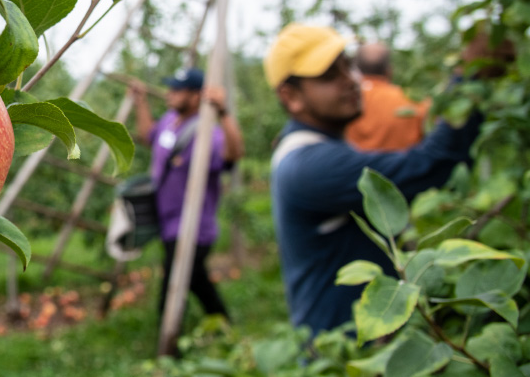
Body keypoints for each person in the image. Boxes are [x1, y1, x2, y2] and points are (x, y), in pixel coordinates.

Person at [264, 23, 482, 336]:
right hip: (342, 356)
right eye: (329, 76)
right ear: (292, 97)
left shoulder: (324, 147)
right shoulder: (310, 165)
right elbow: (430, 165)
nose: (351, 80)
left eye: (348, 65)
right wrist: (469, 76)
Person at [128, 68, 244, 321]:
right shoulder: (169, 121)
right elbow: (148, 135)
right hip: (168, 220)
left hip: (193, 225)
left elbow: (233, 155)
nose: (170, 94)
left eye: (177, 90)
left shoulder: (207, 134)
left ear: (195, 96)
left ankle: (169, 341)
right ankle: (223, 327)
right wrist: (141, 102)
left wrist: (224, 113)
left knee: (174, 283)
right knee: (194, 279)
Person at [345, 42, 431, 151]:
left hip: (351, 167)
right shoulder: (415, 100)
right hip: (402, 166)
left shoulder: (343, 101)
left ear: (355, 70)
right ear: (389, 70)